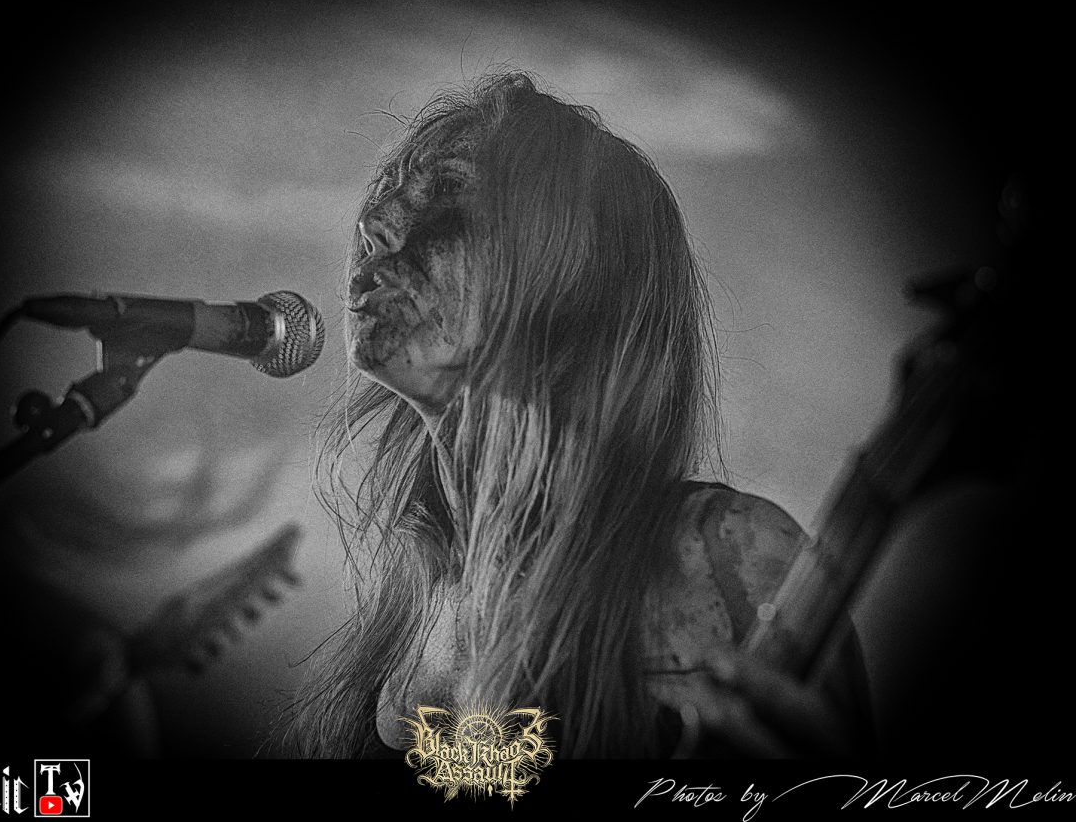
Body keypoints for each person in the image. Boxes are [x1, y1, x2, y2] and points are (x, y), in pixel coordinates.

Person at [274, 71, 875, 759]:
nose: (374, 224)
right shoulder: (414, 606)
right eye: (385, 194)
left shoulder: (732, 557)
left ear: (575, 267)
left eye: (448, 190)